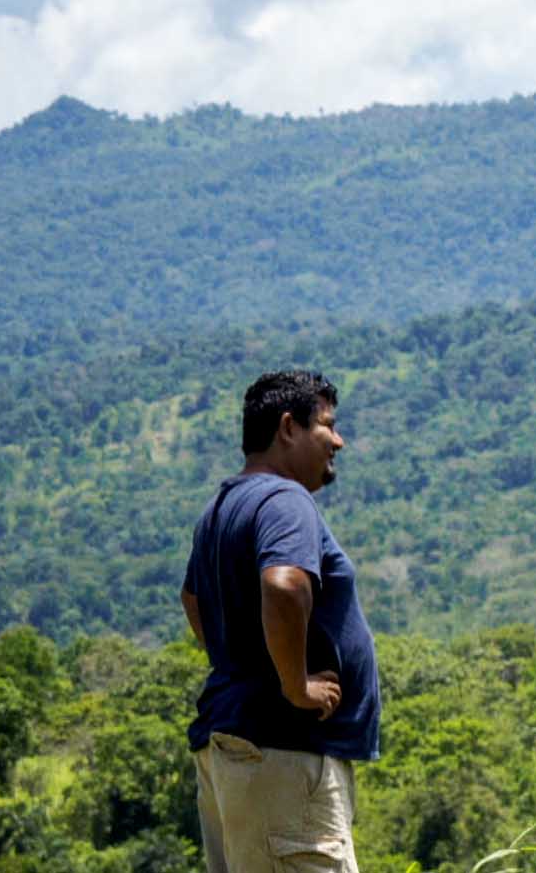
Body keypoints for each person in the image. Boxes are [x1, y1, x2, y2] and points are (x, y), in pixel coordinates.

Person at [180, 370, 381, 873]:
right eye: (327, 425)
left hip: (236, 752)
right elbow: (285, 584)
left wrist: (243, 666)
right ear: (289, 428)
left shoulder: (221, 508)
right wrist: (296, 686)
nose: (338, 440)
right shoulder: (286, 500)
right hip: (283, 758)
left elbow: (192, 598)